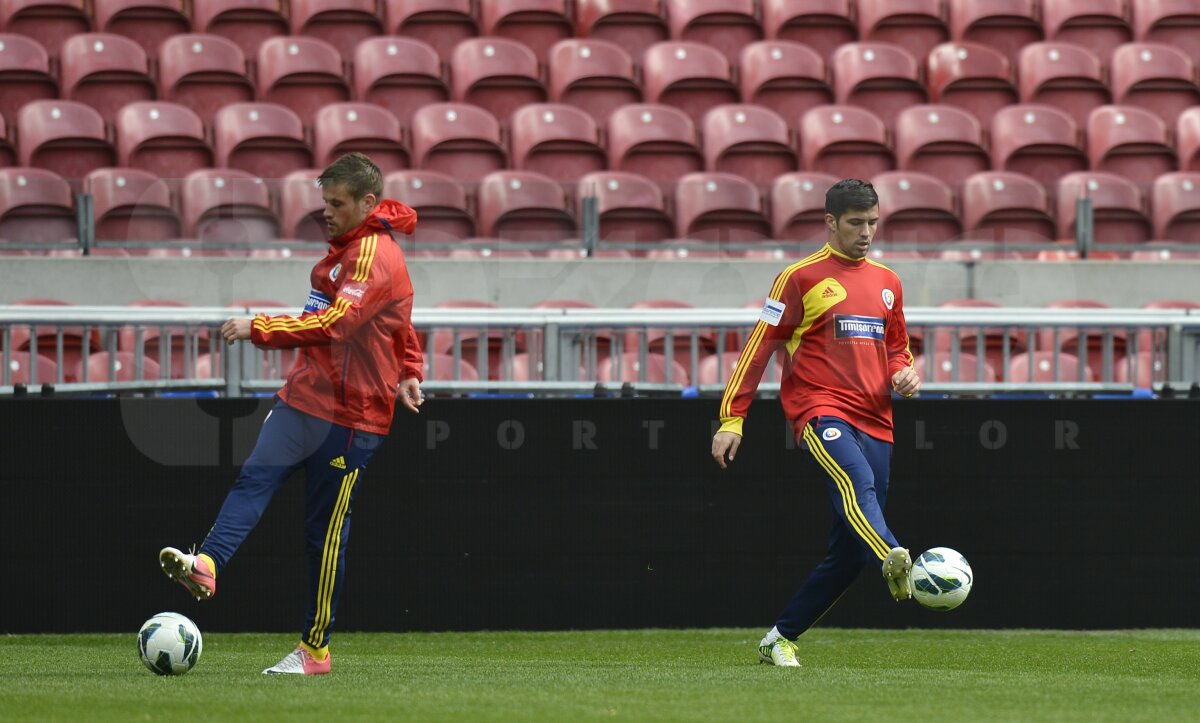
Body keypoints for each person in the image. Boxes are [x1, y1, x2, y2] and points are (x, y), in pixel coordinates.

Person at [159, 152, 425, 675]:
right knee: (252, 481)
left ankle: (315, 650)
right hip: (304, 397)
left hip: (352, 417)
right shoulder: (346, 251)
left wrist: (259, 327)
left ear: (367, 203)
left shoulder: (374, 254)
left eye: (336, 203)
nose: (325, 212)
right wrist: (412, 366)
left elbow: (343, 322)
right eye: (324, 202)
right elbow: (397, 320)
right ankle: (208, 564)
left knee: (322, 538)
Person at [710, 179, 921, 667]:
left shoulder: (888, 281)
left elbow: (897, 345)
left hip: (877, 419)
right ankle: (894, 553)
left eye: (872, 222)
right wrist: (732, 418)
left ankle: (780, 638)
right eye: (855, 223)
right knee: (857, 480)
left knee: (847, 556)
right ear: (830, 222)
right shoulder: (799, 278)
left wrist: (903, 372)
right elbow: (759, 347)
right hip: (818, 408)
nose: (866, 232)